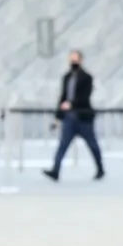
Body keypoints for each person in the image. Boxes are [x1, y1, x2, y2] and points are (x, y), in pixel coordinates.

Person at [42, 50, 104, 181]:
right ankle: (55, 170)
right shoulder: (66, 77)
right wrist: (58, 117)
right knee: (63, 145)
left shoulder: (87, 78)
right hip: (69, 118)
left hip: (83, 118)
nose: (73, 61)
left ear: (81, 60)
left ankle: (100, 169)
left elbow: (84, 97)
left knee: (92, 145)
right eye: (71, 59)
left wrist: (71, 104)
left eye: (75, 59)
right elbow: (63, 97)